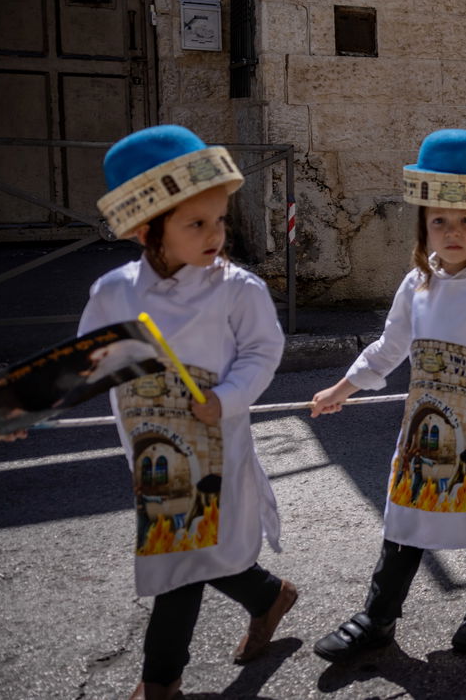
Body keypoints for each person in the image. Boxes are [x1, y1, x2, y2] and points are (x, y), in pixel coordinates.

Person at [310, 130, 466, 660]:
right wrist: (342, 388)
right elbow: (388, 348)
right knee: (406, 513)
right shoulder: (416, 283)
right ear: (423, 226)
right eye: (440, 220)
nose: (453, 231)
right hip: (425, 429)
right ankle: (378, 616)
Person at [78, 126, 293, 700]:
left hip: (216, 448)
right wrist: (28, 409)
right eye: (196, 224)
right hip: (152, 452)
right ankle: (268, 596)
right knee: (197, 550)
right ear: (147, 230)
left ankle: (159, 682)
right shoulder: (114, 293)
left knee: (182, 558)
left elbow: (262, 352)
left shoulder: (237, 290)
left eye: (220, 220)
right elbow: (87, 363)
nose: (215, 236)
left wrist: (225, 398)